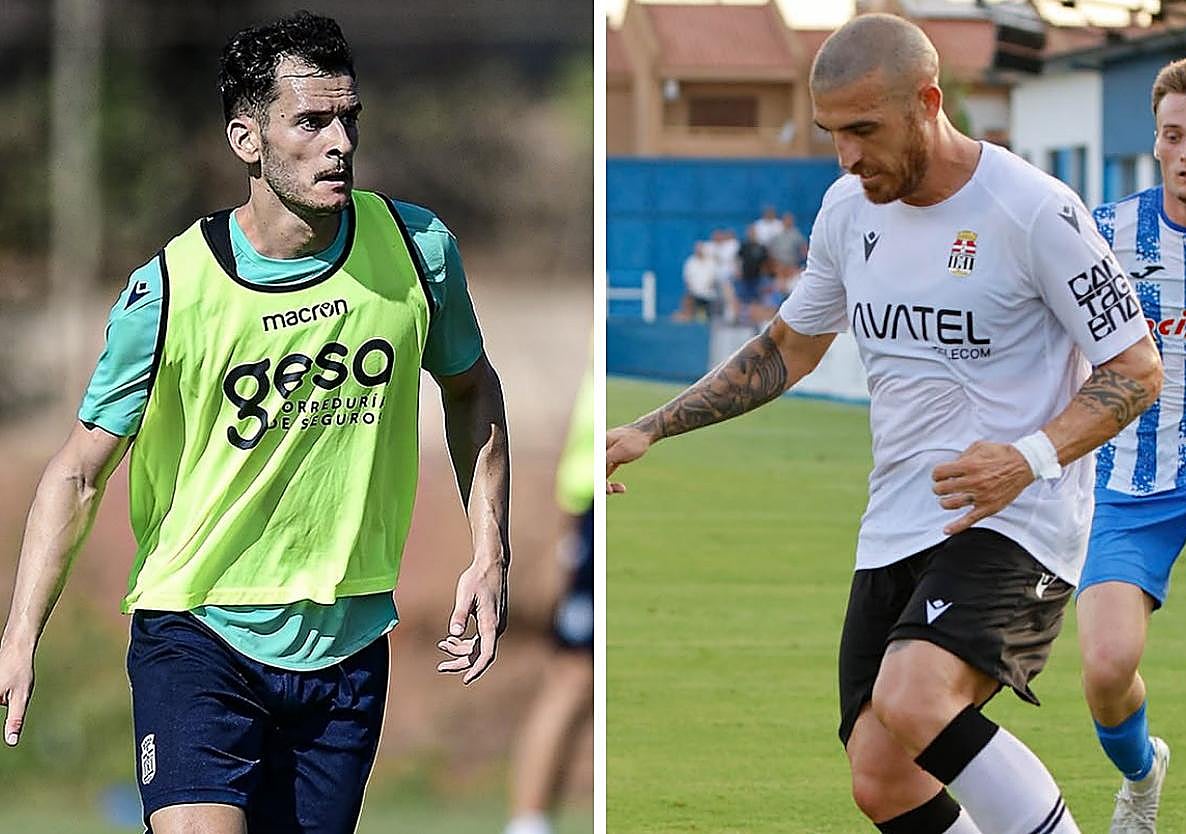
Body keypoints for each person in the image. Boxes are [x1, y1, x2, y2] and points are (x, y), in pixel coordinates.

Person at [607, 14, 1162, 834]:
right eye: (834, 133)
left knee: (915, 698)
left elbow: (1135, 369)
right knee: (880, 776)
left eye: (864, 130)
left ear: (929, 102)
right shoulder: (846, 211)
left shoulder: (1035, 212)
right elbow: (786, 350)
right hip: (898, 522)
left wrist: (1028, 458)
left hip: (1015, 519)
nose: (848, 156)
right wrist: (652, 427)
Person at [0, 13, 510, 834]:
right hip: (197, 631)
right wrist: (20, 633)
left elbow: (472, 392)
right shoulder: (171, 290)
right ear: (248, 138)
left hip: (345, 649)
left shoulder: (418, 251)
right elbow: (78, 470)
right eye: (310, 121)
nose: (338, 141)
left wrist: (489, 551)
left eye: (349, 118)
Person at [1077, 57, 1186, 833]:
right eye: (1175, 136)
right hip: (1128, 482)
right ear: (1155, 142)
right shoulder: (1102, 233)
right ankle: (1143, 777)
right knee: (1107, 668)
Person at [505, 356, 593, 834]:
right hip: (596, 497)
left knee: (579, 676)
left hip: (594, 494)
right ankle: (528, 823)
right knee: (574, 674)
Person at [675, 241, 719, 321]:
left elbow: (713, 278)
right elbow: (687, 279)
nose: (699, 251)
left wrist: (707, 288)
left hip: (709, 293)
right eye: (697, 249)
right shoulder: (690, 262)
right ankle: (688, 315)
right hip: (694, 292)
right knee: (687, 298)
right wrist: (692, 290)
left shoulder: (711, 262)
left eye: (701, 249)